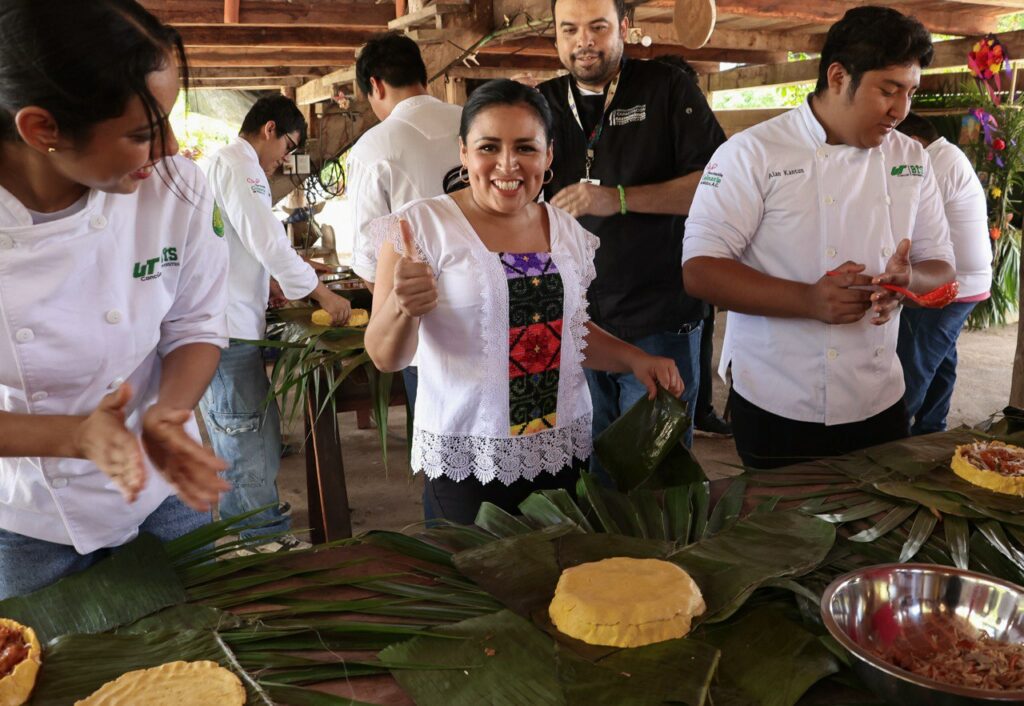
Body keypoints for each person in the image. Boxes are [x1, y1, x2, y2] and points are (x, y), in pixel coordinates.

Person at [364, 80, 683, 524]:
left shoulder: (567, 232)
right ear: (463, 152)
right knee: (474, 590)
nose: (507, 164)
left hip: (559, 454)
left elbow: (567, 332)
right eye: (488, 147)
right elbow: (384, 357)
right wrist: (403, 307)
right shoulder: (419, 228)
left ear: (548, 155)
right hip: (470, 463)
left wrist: (634, 359)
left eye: (525, 148)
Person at [0, 0, 231, 597]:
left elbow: (196, 323)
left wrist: (168, 412)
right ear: (42, 129)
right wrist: (74, 436)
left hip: (165, 490)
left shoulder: (175, 187)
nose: (173, 146)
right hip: (26, 523)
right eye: (141, 133)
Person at [682, 6, 956, 469]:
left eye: (910, 92)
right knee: (784, 533)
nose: (901, 109)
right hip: (778, 399)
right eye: (887, 90)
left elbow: (941, 266)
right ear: (837, 76)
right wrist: (810, 299)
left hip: (879, 397)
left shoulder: (911, 157)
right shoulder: (752, 153)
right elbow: (701, 271)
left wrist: (908, 283)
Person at [536, 0, 726, 482]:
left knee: (653, 475)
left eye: (598, 27)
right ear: (555, 36)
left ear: (623, 27)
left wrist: (617, 199)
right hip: (572, 323)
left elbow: (716, 184)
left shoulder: (666, 87)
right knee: (584, 470)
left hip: (657, 317)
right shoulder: (542, 103)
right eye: (570, 29)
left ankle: (657, 556)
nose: (584, 41)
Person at [203, 95, 351, 550]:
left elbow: (236, 241)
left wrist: (266, 282)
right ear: (269, 129)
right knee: (243, 431)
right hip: (225, 326)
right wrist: (320, 292)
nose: (283, 158)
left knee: (250, 427)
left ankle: (257, 527)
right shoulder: (241, 165)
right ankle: (255, 538)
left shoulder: (224, 163)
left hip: (228, 319)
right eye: (286, 145)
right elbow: (266, 239)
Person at [347, 31, 463, 521]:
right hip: (503, 314)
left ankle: (451, 556)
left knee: (444, 462)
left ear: (375, 85)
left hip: (425, 333)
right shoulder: (472, 123)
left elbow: (373, 265)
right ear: (422, 73)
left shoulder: (375, 147)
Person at [895, 112, 993, 434]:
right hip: (967, 281)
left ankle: (889, 437)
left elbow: (905, 219)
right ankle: (932, 428)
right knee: (941, 358)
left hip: (952, 287)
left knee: (915, 362)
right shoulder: (948, 156)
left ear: (912, 142)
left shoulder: (936, 163)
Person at [651, 54, 731, 437]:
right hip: (659, 270)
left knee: (700, 332)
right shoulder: (643, 137)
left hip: (699, 257)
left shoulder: (703, 141)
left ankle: (702, 410)